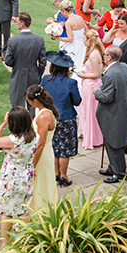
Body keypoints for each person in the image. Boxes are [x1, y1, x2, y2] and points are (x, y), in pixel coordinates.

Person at [0, 106, 37, 243]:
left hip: (10, 179)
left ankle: (6, 245)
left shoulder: (12, 140)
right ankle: (25, 242)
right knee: (23, 209)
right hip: (26, 176)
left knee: (6, 211)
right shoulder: (35, 136)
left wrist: (3, 124)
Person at [39, 52, 81, 187]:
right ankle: (64, 175)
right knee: (65, 148)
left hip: (50, 118)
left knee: (54, 146)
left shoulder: (45, 79)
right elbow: (77, 101)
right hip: (67, 118)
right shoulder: (71, 82)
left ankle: (55, 173)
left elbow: (41, 96)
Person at [94, 46, 127, 184]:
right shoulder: (123, 66)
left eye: (104, 54)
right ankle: (112, 167)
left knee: (115, 142)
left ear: (109, 57)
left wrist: (96, 92)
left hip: (113, 113)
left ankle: (120, 173)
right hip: (122, 108)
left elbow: (106, 97)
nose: (103, 56)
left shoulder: (111, 74)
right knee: (109, 141)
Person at [25, 84, 58, 211]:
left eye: (29, 101)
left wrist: (32, 165)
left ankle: (42, 214)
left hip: (42, 155)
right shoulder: (43, 112)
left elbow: (41, 144)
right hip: (44, 152)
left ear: (35, 101)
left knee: (41, 185)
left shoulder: (44, 116)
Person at [4, 13, 47, 109]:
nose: (15, 23)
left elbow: (8, 61)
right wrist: (38, 73)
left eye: (17, 22)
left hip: (18, 74)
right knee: (34, 104)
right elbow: (43, 61)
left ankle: (19, 123)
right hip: (33, 74)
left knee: (17, 104)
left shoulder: (13, 40)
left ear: (22, 24)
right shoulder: (39, 39)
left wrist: (17, 64)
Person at [75, 29, 105, 150]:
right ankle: (85, 132)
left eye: (84, 39)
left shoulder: (93, 55)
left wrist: (83, 75)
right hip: (89, 84)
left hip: (91, 85)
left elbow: (97, 74)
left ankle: (92, 138)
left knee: (90, 111)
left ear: (89, 40)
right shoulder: (93, 52)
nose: (83, 41)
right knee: (85, 109)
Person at [55, 0, 87, 69]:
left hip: (73, 46)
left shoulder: (68, 22)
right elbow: (86, 31)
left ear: (64, 11)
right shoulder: (80, 18)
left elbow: (70, 39)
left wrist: (57, 38)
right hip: (82, 45)